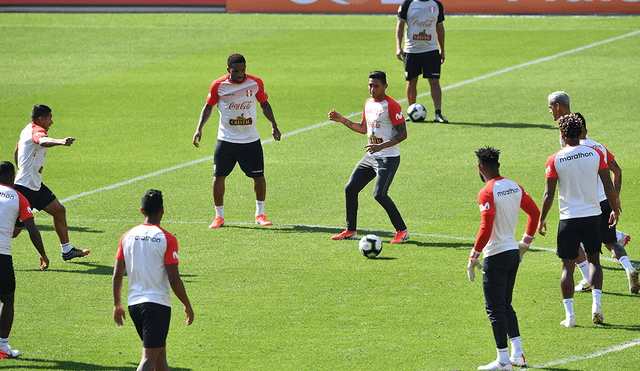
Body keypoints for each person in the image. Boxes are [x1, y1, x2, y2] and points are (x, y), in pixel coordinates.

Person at [547, 91, 637, 294]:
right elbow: (617, 170)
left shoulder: (574, 146)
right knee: (610, 242)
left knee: (581, 247)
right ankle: (629, 268)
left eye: (551, 107)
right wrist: (616, 196)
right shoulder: (599, 147)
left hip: (587, 202)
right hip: (605, 200)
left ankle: (588, 280)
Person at [538, 114, 620, 327]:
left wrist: (541, 219)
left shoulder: (555, 159)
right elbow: (608, 186)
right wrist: (614, 209)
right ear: (581, 132)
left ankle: (570, 317)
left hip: (569, 218)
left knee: (567, 267)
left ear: (562, 134)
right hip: (593, 216)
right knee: (594, 261)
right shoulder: (594, 154)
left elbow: (548, 194)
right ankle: (597, 306)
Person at [467, 147, 540, 371]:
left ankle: (503, 361)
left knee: (495, 309)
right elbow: (535, 213)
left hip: (495, 255)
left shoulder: (486, 192)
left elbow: (486, 226)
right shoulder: (514, 186)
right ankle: (518, 354)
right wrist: (526, 242)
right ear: (498, 165)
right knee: (506, 304)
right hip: (512, 253)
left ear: (480, 168)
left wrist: (474, 256)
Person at [192, 53, 282, 229]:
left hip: (250, 140)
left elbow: (264, 104)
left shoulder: (255, 83)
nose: (240, 74)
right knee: (218, 177)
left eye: (243, 70)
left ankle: (260, 214)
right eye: (236, 71)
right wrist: (199, 128)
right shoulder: (219, 85)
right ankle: (219, 216)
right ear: (228, 70)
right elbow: (208, 107)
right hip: (226, 140)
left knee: (259, 176)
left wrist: (274, 125)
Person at [112, 189, 194, 371]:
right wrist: (187, 304)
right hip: (157, 305)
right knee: (149, 359)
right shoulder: (167, 238)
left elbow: (117, 274)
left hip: (134, 305)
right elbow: (174, 279)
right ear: (162, 210)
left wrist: (117, 303)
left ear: (142, 211)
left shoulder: (127, 237)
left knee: (159, 357)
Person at [328, 71, 409, 244]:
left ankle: (402, 230)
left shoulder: (391, 105)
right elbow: (364, 128)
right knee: (350, 188)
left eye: (376, 86)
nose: (372, 89)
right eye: (370, 85)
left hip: (388, 157)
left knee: (380, 194)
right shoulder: (368, 103)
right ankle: (350, 230)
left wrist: (381, 146)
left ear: (385, 86)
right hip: (371, 157)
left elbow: (403, 134)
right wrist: (343, 120)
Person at [13, 104, 89, 261]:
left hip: (35, 186)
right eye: (49, 118)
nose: (51, 122)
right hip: (24, 190)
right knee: (14, 232)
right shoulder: (37, 131)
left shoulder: (26, 128)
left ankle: (67, 250)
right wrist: (61, 142)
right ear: (41, 119)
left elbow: (16, 151)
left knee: (59, 210)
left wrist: (20, 168)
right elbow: (42, 141)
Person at [0, 161, 49, 359]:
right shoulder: (19, 197)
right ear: (12, 178)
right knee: (7, 300)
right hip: (2, 255)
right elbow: (33, 231)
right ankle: (2, 346)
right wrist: (44, 254)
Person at [396, 0, 448, 123]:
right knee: (411, 81)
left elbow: (440, 27)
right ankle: (410, 111)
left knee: (434, 81)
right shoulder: (407, 4)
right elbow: (400, 25)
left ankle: (438, 114)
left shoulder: (436, 5)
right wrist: (398, 47)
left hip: (431, 49)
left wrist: (442, 49)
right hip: (411, 50)